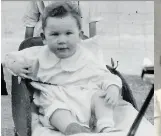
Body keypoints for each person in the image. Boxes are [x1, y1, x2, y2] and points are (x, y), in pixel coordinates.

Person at [3, 2, 120, 135]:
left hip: (85, 96)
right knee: (56, 111)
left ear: (80, 36)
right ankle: (73, 130)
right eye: (55, 34)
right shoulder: (39, 54)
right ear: (44, 38)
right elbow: (9, 58)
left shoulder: (86, 55)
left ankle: (106, 126)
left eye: (68, 33)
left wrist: (112, 87)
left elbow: (104, 75)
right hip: (57, 99)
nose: (62, 40)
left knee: (101, 97)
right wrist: (16, 66)